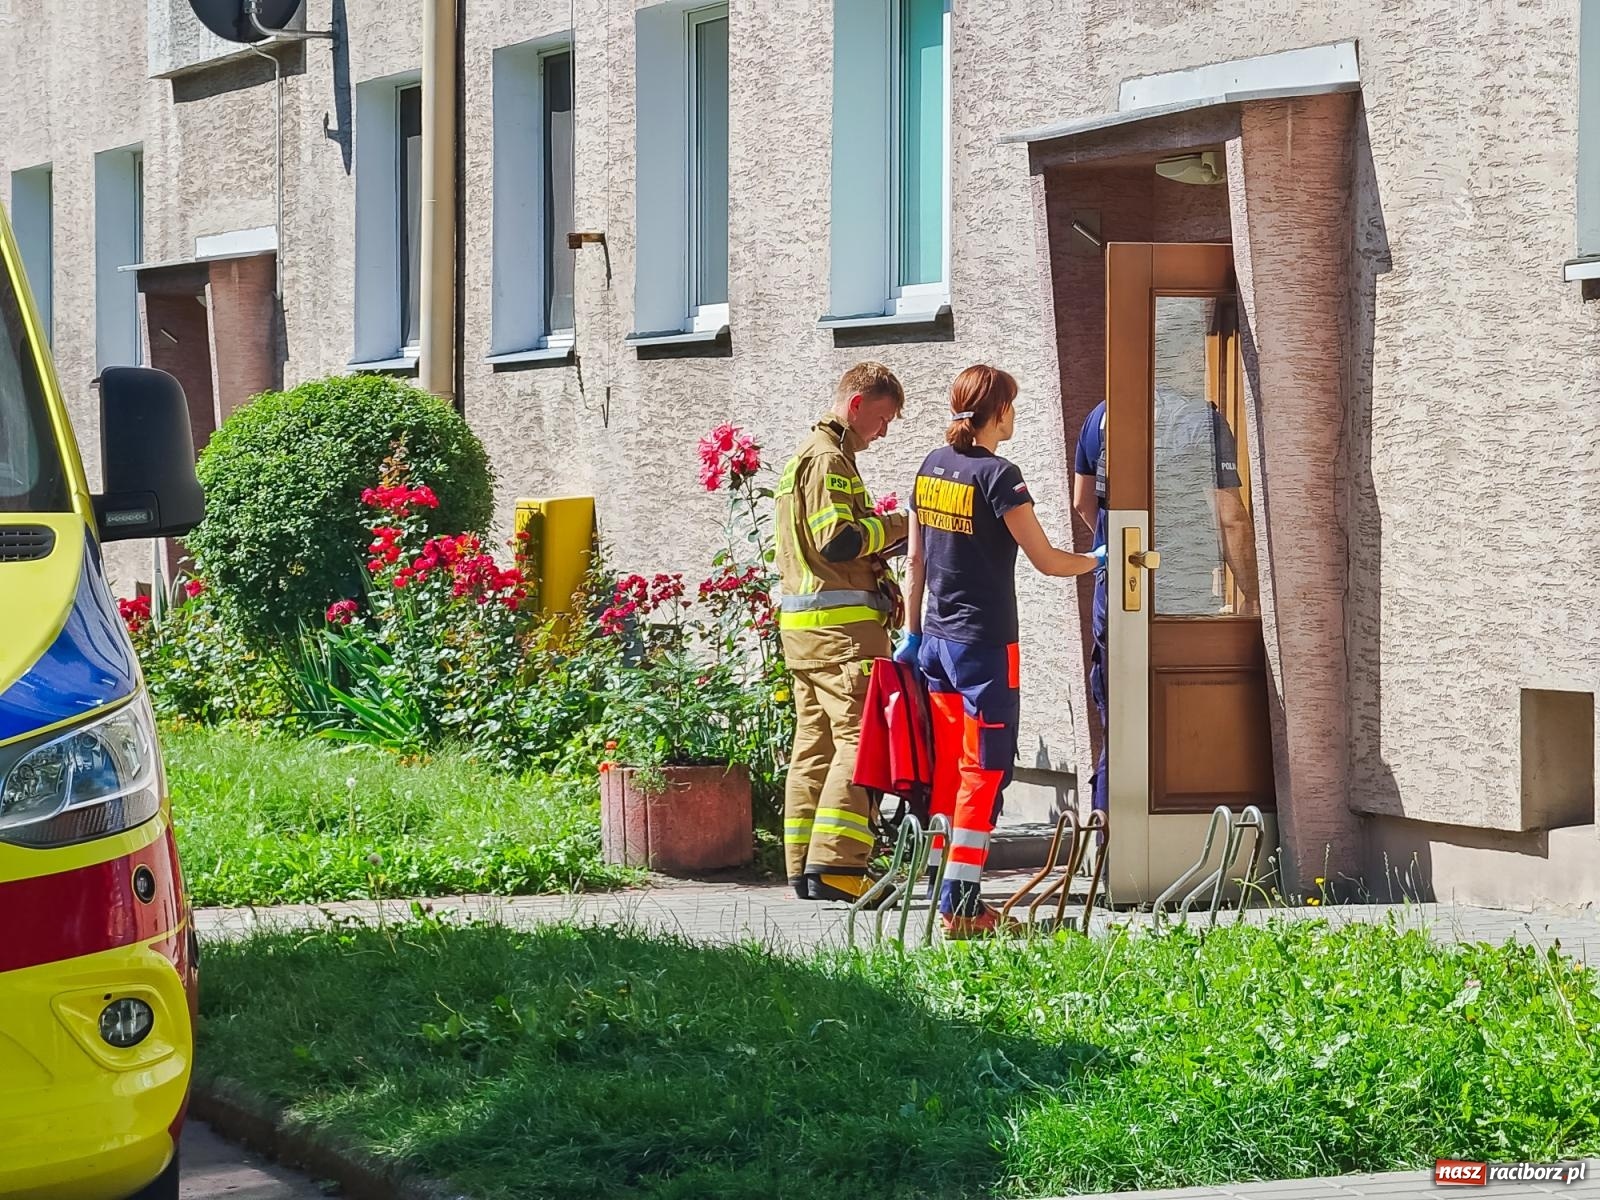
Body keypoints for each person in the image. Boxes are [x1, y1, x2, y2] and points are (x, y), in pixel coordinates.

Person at [897, 365, 1101, 938]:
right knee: (984, 773)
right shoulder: (999, 476)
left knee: (949, 776)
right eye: (1011, 405)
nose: (1015, 414)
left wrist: (913, 634)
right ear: (999, 411)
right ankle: (962, 910)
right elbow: (1046, 559)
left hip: (936, 644)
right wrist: (1101, 561)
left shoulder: (930, 467)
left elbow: (915, 565)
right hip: (985, 649)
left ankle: (947, 894)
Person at [1072, 390, 1258, 824]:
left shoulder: (1101, 414)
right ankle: (1179, 840)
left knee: (1119, 719)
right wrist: (1250, 595)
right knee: (1181, 715)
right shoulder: (1203, 421)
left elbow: (1083, 502)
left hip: (1116, 589)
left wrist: (1118, 552)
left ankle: (1111, 846)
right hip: (1182, 592)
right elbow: (1229, 516)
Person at [776, 362, 909, 903]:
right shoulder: (830, 459)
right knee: (858, 740)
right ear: (855, 405)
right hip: (843, 636)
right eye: (881, 418)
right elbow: (839, 541)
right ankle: (837, 868)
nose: (883, 431)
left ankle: (801, 868)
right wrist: (901, 524)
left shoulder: (804, 458)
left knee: (815, 745)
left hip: (806, 634)